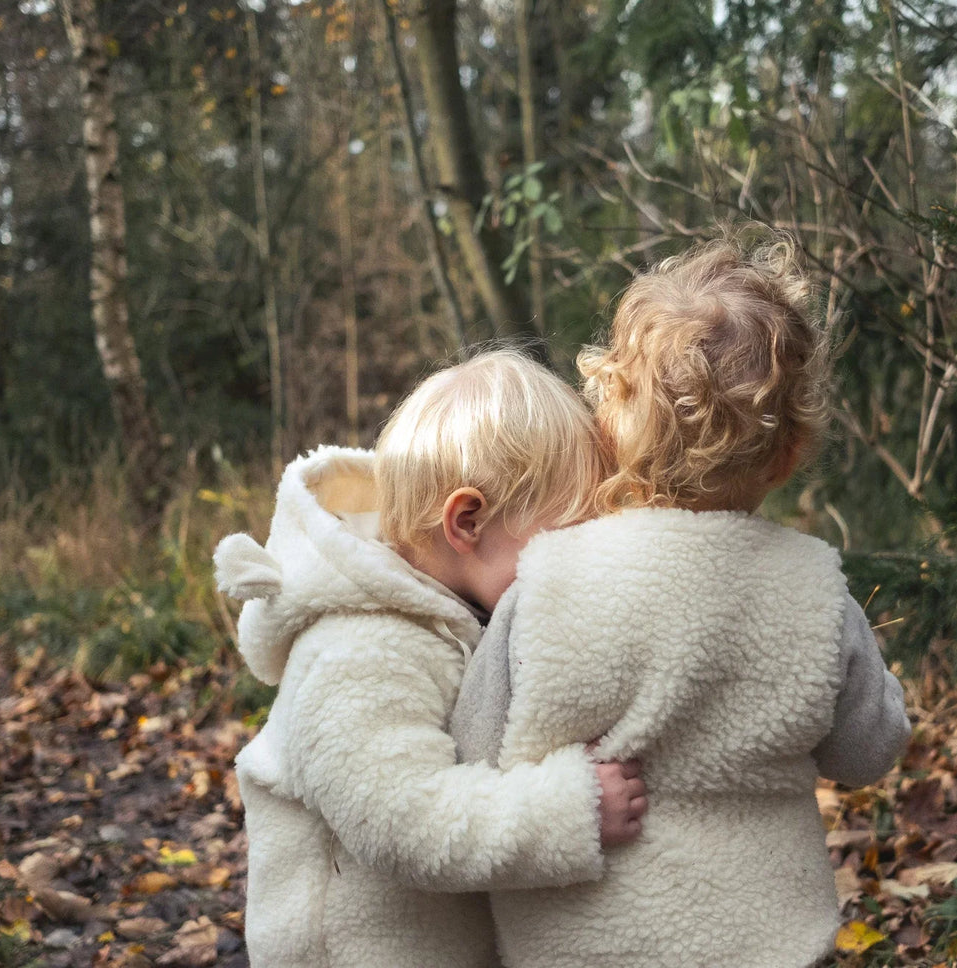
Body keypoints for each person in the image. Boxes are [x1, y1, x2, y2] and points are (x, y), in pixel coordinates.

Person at [452, 233, 912, 968]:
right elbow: (868, 752)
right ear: (790, 453)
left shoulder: (546, 579)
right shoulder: (814, 587)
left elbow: (473, 750)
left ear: (607, 427)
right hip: (764, 942)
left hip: (578, 942)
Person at [215, 351, 647, 968]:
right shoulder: (356, 649)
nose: (579, 560)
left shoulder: (450, 614)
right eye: (570, 533)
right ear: (467, 520)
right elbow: (400, 820)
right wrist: (568, 810)